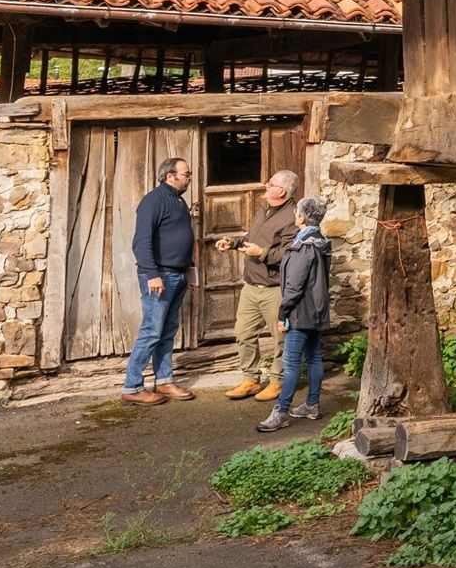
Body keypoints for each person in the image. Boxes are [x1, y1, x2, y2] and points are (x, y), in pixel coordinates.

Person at [217, 169, 300, 401]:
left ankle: (278, 382)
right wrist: (233, 243)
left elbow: (290, 253)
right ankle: (250, 379)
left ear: (281, 191)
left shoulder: (293, 216)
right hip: (251, 286)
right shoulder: (264, 210)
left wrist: (262, 252)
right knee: (243, 333)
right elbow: (253, 239)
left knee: (280, 338)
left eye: (270, 183)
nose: (266, 185)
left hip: (275, 288)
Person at [121, 157, 197, 406]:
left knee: (166, 331)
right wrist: (151, 273)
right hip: (160, 276)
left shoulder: (178, 200)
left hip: (178, 273)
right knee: (151, 331)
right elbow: (141, 241)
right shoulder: (153, 201)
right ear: (170, 176)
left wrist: (190, 266)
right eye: (186, 173)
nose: (189, 177)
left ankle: (164, 380)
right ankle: (132, 386)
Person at [259, 196, 332, 432]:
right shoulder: (319, 241)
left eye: (297, 213)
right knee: (313, 357)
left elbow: (295, 285)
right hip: (316, 309)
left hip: (301, 311)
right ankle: (312, 405)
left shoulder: (304, 247)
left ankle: (280, 412)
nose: (295, 216)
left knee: (290, 363)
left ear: (301, 217)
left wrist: (283, 313)